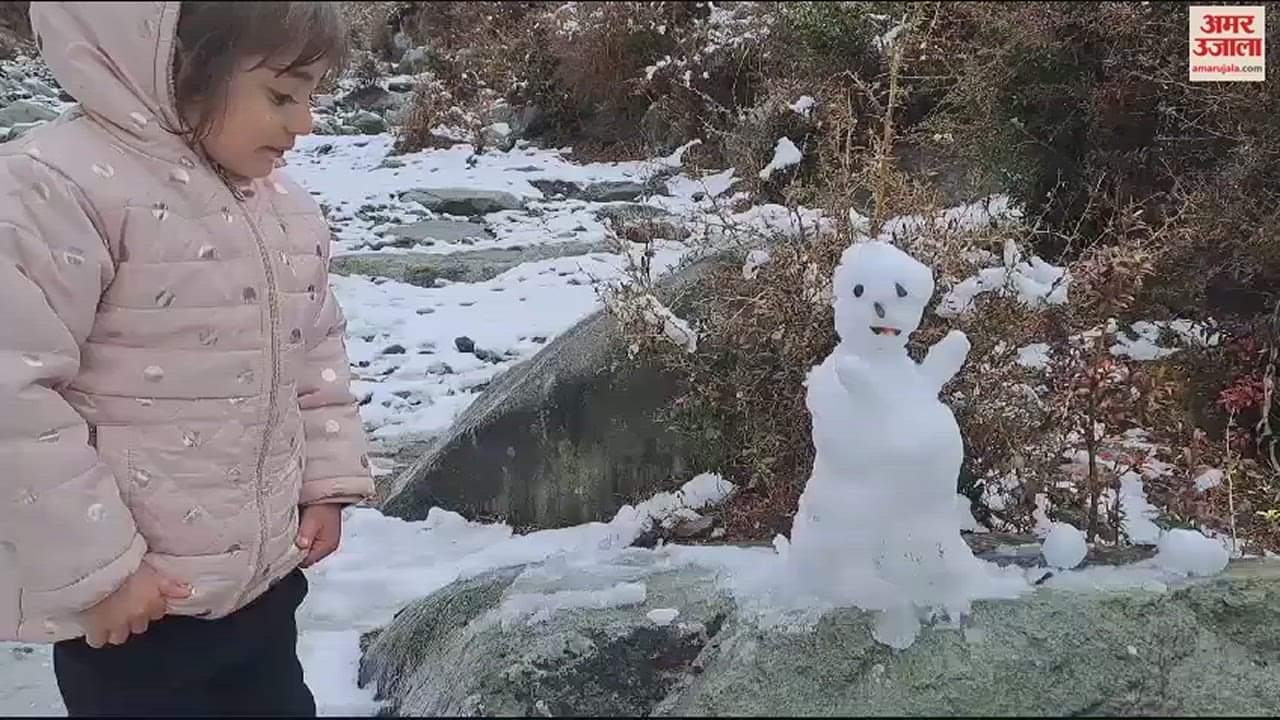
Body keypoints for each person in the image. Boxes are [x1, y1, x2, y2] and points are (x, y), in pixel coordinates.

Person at [0, 2, 375, 716]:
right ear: (178, 66)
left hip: (262, 588)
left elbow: (315, 348)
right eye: (281, 96)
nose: (305, 123)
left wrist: (326, 481)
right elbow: (13, 395)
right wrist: (99, 570)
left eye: (312, 98)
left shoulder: (283, 208)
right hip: (137, 612)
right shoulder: (56, 188)